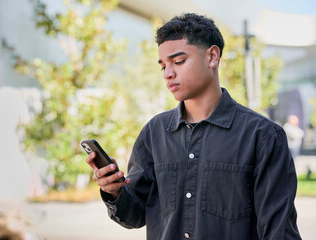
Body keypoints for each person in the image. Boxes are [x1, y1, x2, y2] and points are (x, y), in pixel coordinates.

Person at [86, 13, 301, 239]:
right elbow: (135, 216)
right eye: (163, 66)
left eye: (178, 61)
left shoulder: (262, 136)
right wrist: (114, 191)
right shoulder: (154, 132)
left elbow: (280, 232)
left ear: (212, 57)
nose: (168, 74)